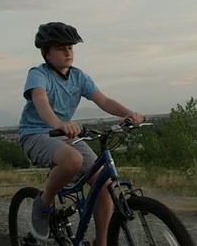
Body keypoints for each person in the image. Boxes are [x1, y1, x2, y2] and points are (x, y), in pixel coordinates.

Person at [18, 21, 144, 245]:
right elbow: (41, 100)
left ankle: (102, 242)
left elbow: (102, 100)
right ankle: (43, 204)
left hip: (65, 135)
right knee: (72, 159)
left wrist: (129, 114)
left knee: (104, 183)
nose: (68, 52)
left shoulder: (79, 77)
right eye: (61, 48)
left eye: (71, 47)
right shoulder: (38, 75)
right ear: (46, 53)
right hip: (36, 134)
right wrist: (58, 123)